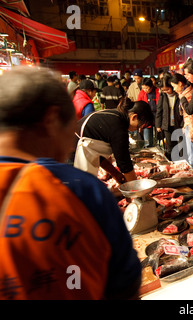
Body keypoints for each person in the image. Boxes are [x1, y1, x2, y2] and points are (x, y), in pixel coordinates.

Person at [0, 67, 141, 300]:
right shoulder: (81, 191)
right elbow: (125, 285)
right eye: (72, 125)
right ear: (52, 120)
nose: (72, 139)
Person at [73, 98, 154, 181]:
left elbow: (97, 154)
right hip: (75, 150)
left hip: (80, 146)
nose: (139, 129)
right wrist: (135, 188)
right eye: (139, 126)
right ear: (134, 117)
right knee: (81, 187)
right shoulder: (119, 126)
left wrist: (115, 173)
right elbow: (124, 163)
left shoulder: (116, 115)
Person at [170, 73, 193, 172]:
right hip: (188, 125)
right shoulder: (183, 93)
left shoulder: (188, 94)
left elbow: (191, 114)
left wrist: (191, 132)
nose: (173, 89)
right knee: (192, 154)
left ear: (180, 83)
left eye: (174, 86)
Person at [155, 72, 183, 160]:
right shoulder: (163, 95)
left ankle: (181, 164)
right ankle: (172, 165)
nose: (166, 92)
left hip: (178, 124)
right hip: (166, 125)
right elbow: (159, 110)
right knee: (170, 147)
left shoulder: (179, 95)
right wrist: (158, 125)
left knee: (180, 147)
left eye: (167, 89)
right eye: (163, 90)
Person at [137, 78, 158, 147]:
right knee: (147, 141)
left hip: (157, 117)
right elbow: (139, 107)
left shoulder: (157, 91)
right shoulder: (142, 93)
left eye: (147, 88)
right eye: (143, 88)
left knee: (158, 140)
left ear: (151, 86)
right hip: (146, 119)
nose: (145, 90)